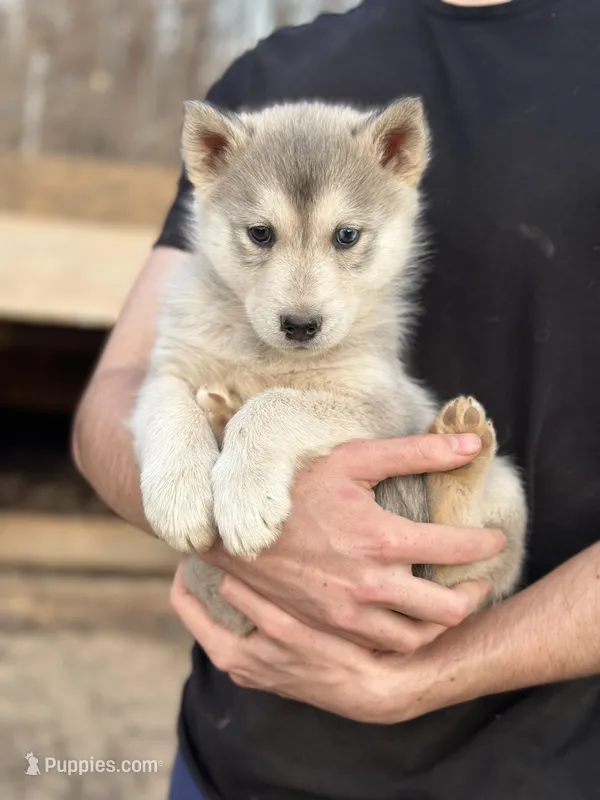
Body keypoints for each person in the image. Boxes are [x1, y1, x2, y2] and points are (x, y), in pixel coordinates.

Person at [72, 0, 600, 798]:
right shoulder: (267, 76)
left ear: (401, 159)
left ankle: (451, 497)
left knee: (486, 492)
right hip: (237, 762)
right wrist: (193, 487)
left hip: (535, 769)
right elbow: (116, 397)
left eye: (345, 239)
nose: (300, 301)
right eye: (262, 237)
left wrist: (415, 682)